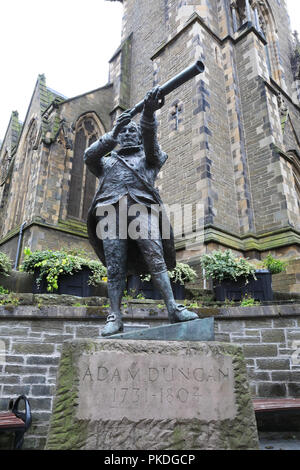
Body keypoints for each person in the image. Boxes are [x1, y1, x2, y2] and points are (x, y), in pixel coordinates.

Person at [84, 86, 198, 336]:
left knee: (155, 256)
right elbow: (89, 156)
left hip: (141, 209)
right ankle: (114, 316)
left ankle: (173, 308)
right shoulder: (107, 162)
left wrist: (148, 115)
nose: (126, 134)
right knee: (115, 268)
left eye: (129, 131)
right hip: (110, 213)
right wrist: (111, 134)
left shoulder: (149, 159)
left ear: (137, 137)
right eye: (122, 132)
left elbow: (151, 144)